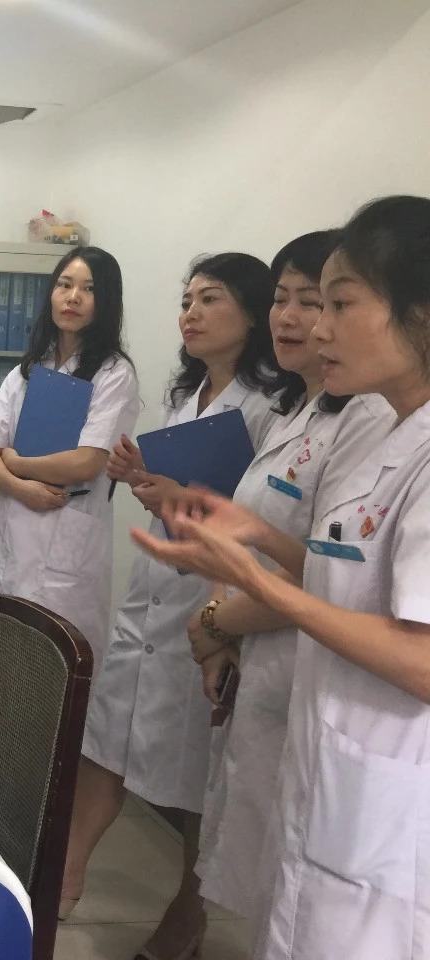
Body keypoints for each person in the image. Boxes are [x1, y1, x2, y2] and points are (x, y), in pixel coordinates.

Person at [134, 195, 430, 959]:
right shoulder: (391, 434)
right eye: (297, 301)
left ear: (421, 313)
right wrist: (255, 535)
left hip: (388, 805)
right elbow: (350, 579)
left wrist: (254, 586)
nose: (316, 326)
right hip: (326, 767)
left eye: (338, 304)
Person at [62, 252, 287, 960]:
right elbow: (181, 504)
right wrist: (144, 481)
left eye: (209, 299)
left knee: (196, 774)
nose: (191, 313)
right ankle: (60, 880)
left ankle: (186, 918)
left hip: (212, 604)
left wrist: (169, 495)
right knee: (107, 740)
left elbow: (249, 522)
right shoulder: (187, 397)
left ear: (251, 312)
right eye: (186, 300)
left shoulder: (271, 409)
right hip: (154, 593)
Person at [190, 232, 396, 928]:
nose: (298, 319)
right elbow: (272, 541)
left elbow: (330, 574)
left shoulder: (371, 421)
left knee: (289, 884)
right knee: (261, 876)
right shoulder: (303, 408)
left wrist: (216, 619)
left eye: (325, 302)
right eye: (285, 298)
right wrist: (222, 613)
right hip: (268, 666)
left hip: (309, 670)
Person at [0, 247, 140, 681]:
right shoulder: (25, 371)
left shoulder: (113, 374)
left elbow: (85, 462)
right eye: (64, 284)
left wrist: (16, 463)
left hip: (68, 530)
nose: (73, 297)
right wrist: (21, 486)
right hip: (12, 526)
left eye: (88, 289)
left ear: (106, 301)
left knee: (52, 679)